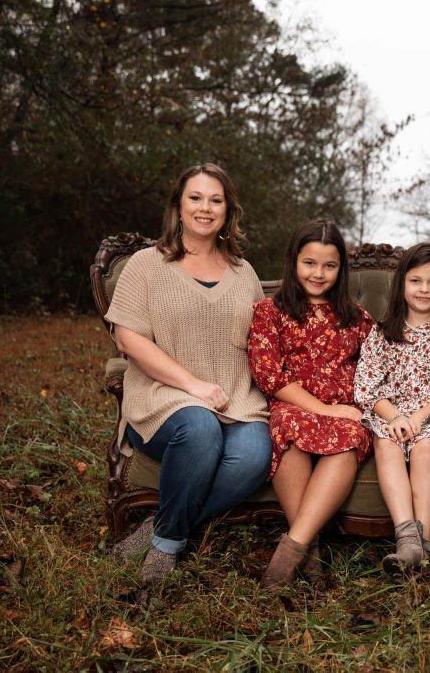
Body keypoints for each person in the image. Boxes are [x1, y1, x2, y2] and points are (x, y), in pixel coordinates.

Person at [106, 163, 272, 585]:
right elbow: (128, 339)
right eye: (195, 198)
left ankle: (160, 527)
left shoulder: (244, 273)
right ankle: (166, 550)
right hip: (163, 400)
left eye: (215, 200)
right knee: (199, 427)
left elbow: (263, 341)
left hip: (237, 401)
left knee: (255, 456)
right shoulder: (146, 265)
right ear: (178, 207)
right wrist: (193, 386)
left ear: (228, 210)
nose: (205, 208)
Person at [247, 219, 375, 587]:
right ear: (293, 262)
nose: (319, 274)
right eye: (310, 263)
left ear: (341, 268)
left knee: (348, 434)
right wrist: (322, 409)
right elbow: (268, 375)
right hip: (294, 405)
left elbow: (379, 366)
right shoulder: (270, 312)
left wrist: (343, 410)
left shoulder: (356, 317)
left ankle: (289, 555)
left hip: (344, 409)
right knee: (287, 428)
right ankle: (312, 555)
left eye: (329, 265)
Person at [354, 243, 430, 573]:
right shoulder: (383, 332)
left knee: (426, 447)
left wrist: (419, 418)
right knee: (386, 444)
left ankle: (423, 541)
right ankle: (408, 540)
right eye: (416, 281)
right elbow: (366, 388)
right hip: (390, 415)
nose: (424, 289)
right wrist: (395, 417)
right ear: (402, 283)